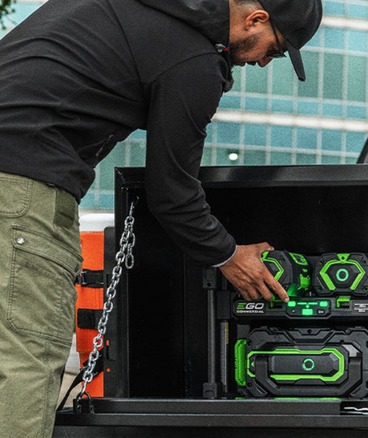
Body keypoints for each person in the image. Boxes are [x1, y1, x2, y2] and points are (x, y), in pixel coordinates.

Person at [0, 0, 322, 436]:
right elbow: (171, 191)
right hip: (19, 191)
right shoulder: (193, 56)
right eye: (275, 49)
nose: (265, 63)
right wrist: (229, 255)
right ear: (255, 19)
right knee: (26, 359)